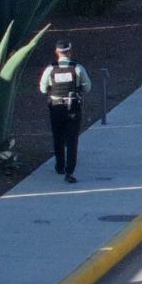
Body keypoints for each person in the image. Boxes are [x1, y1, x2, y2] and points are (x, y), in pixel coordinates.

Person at [39, 40, 90, 183]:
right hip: (73, 107)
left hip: (56, 107)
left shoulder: (50, 69)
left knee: (58, 137)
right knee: (72, 140)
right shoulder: (77, 68)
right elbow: (87, 87)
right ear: (69, 51)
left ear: (57, 52)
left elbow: (43, 89)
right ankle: (69, 171)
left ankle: (59, 166)